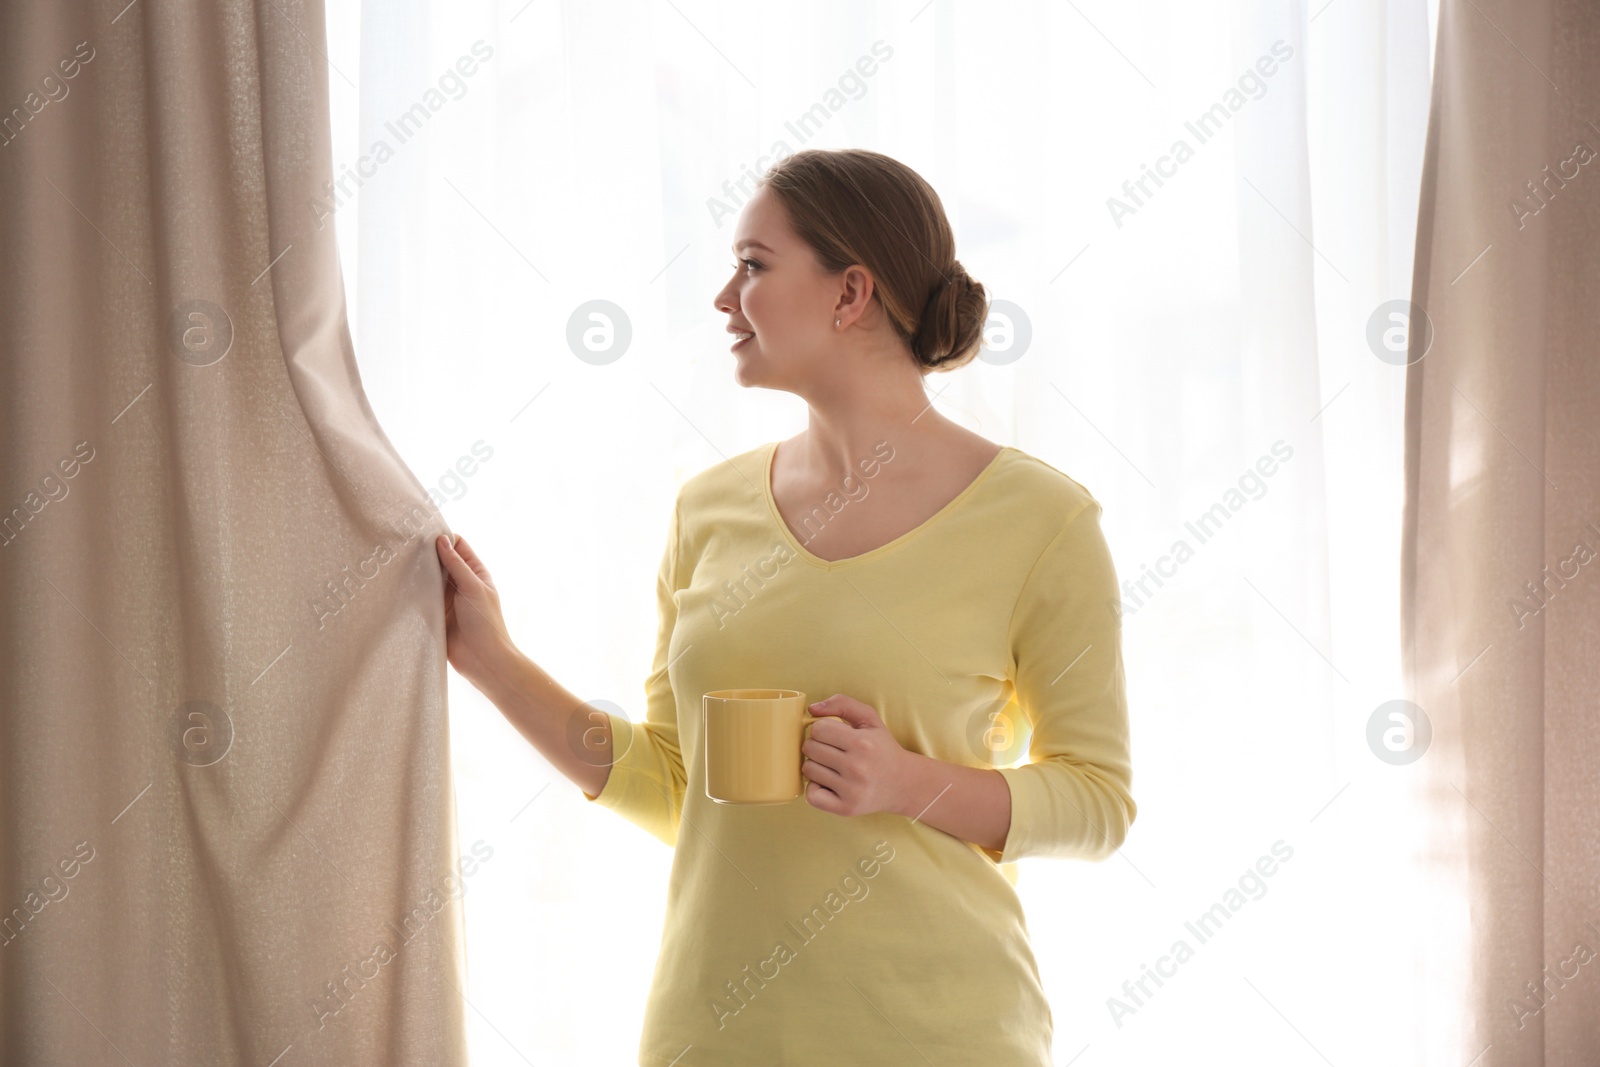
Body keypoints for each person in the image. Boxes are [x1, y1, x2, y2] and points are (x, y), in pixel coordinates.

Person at [434, 147, 1136, 1066]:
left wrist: (905, 781)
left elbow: (1098, 799)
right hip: (712, 1034)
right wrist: (492, 661)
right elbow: (679, 786)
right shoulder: (708, 507)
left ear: (851, 294)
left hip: (943, 1035)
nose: (726, 298)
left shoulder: (1041, 520)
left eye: (754, 266)